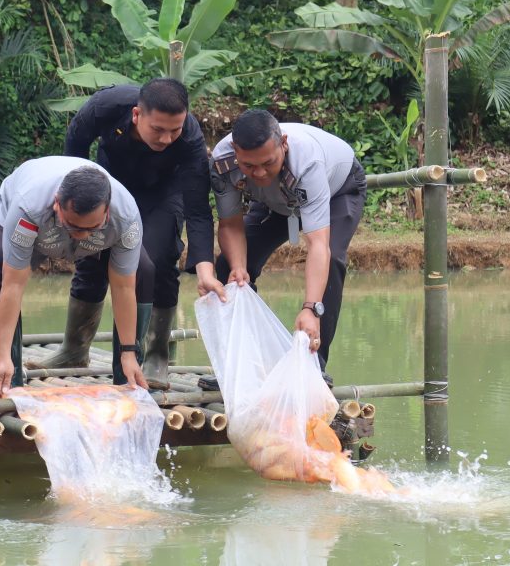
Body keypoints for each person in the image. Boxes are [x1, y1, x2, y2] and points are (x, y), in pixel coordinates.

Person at [50, 78, 226, 389]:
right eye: (158, 129)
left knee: (157, 260)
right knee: (92, 253)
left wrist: (204, 268)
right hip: (111, 183)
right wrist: (79, 198)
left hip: (162, 194)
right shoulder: (104, 107)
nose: (168, 137)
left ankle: (157, 355)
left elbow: (198, 208)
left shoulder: (190, 139)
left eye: (175, 129)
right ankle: (74, 349)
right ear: (136, 115)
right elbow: (74, 152)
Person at [0, 156, 153, 399]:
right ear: (57, 203)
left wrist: (129, 352)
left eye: (91, 228)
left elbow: (124, 287)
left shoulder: (126, 218)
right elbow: (13, 284)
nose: (81, 236)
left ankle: (128, 377)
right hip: (34, 224)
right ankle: (10, 376)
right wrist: (3, 356)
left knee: (144, 271)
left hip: (103, 236)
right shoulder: (27, 209)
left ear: (107, 211)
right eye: (73, 226)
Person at [210, 110, 366, 372]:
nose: (259, 172)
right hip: (275, 200)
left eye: (268, 162)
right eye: (249, 166)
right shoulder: (222, 161)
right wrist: (239, 266)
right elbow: (230, 224)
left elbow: (318, 245)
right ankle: (243, 367)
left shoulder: (308, 161)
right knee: (229, 265)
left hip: (338, 192)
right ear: (235, 151)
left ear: (283, 143)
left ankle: (314, 367)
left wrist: (311, 309)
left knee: (333, 259)